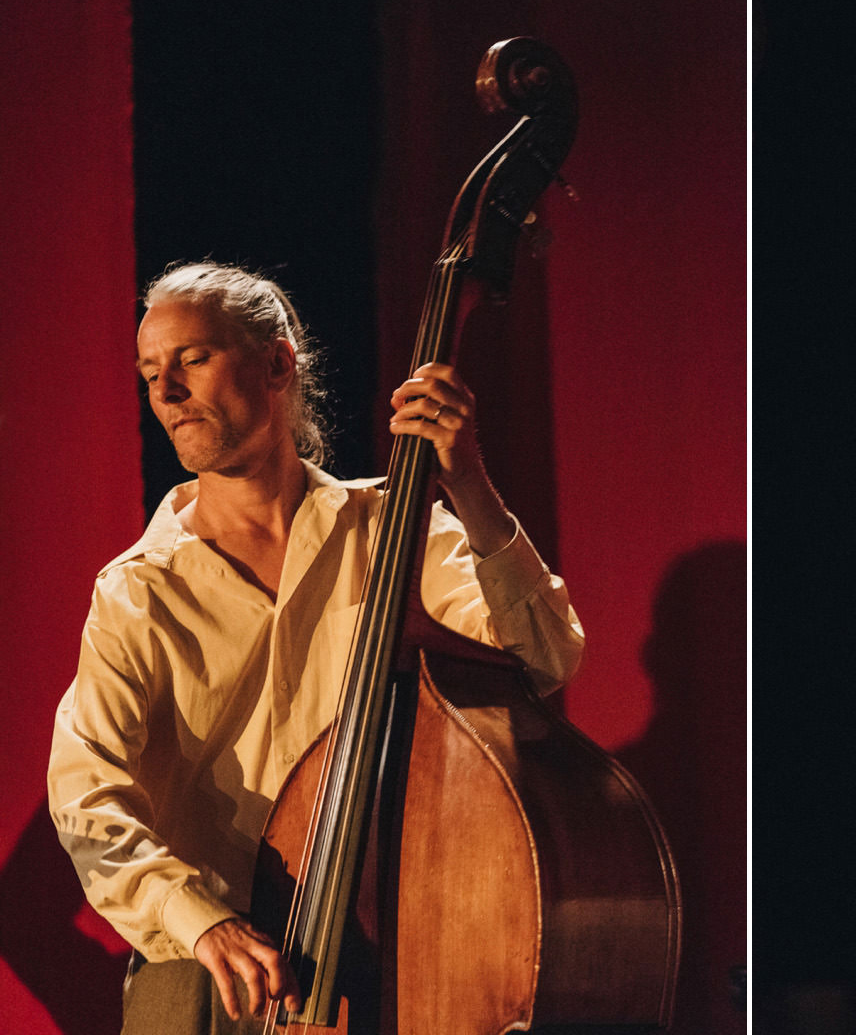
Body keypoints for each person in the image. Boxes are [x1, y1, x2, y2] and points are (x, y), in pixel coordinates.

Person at [47, 261, 585, 1031]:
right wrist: (199, 919)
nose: (165, 393)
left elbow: (549, 653)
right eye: (149, 372)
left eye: (191, 360)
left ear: (277, 360)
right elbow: (85, 797)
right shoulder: (138, 591)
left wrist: (466, 482)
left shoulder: (394, 533)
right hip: (212, 984)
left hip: (396, 966)